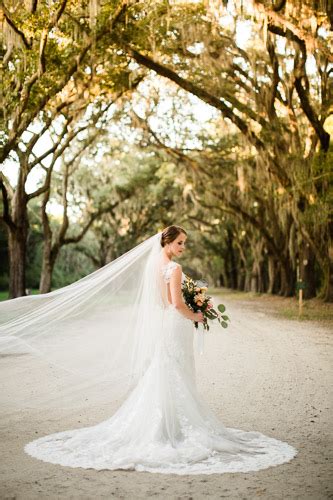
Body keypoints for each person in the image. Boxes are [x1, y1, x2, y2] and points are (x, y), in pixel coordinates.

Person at [1, 225, 297, 474]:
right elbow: (175, 304)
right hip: (175, 324)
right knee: (177, 371)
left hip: (163, 325)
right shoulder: (175, 268)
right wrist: (198, 314)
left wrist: (193, 305)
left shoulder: (152, 264)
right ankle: (172, 429)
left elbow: (160, 302)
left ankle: (162, 426)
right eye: (180, 243)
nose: (183, 247)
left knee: (165, 371)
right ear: (167, 242)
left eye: (184, 243)